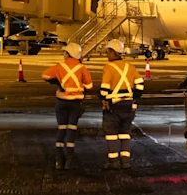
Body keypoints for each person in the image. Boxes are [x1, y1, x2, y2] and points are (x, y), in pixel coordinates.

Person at [42, 42, 93, 170]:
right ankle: (69, 159)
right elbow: (89, 86)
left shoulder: (60, 66)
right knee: (71, 130)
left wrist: (58, 83)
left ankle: (59, 160)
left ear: (68, 54)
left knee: (61, 128)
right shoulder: (82, 68)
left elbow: (45, 75)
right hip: (75, 103)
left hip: (61, 102)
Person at [99, 39, 144, 170]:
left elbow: (104, 88)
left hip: (113, 106)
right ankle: (126, 162)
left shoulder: (108, 67)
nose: (107, 54)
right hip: (128, 105)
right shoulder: (130, 66)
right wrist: (134, 97)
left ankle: (114, 162)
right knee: (125, 133)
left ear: (113, 52)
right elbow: (140, 83)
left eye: (108, 51)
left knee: (111, 133)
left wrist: (102, 97)